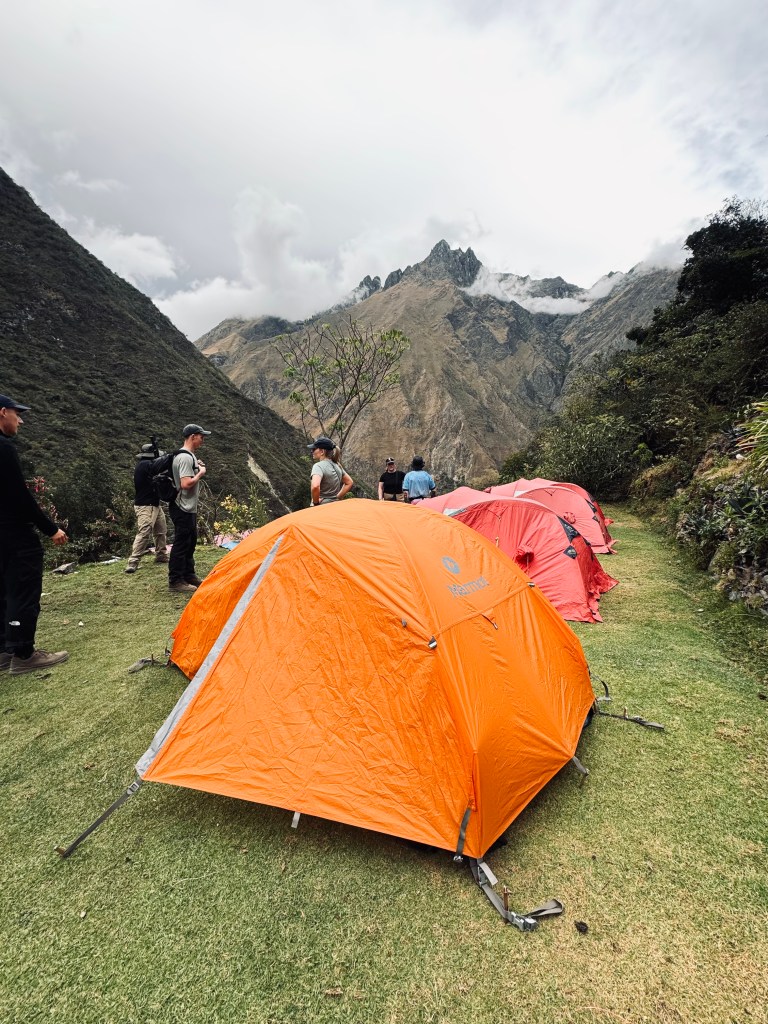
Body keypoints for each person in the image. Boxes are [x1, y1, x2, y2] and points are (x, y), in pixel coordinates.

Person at [0, 393, 69, 675]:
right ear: (3, 412)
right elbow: (20, 497)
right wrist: (51, 528)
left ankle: (5, 650)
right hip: (15, 534)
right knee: (23, 592)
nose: (21, 420)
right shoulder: (4, 448)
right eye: (17, 414)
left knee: (3, 591)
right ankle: (25, 654)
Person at [168, 423, 210, 594]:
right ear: (193, 436)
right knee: (181, 543)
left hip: (188, 507)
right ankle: (176, 581)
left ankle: (188, 575)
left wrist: (197, 468)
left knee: (190, 541)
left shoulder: (189, 456)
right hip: (182, 507)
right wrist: (201, 473)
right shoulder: (185, 457)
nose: (203, 440)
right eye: (201, 436)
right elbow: (185, 484)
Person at [124, 443, 169, 574]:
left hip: (154, 504)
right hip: (145, 505)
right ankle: (133, 562)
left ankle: (161, 555)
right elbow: (159, 466)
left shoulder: (146, 465)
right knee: (144, 532)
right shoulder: (145, 465)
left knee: (161, 530)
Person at [308, 437, 353, 506]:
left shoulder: (318, 466)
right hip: (335, 505)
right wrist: (337, 497)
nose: (312, 451)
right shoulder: (337, 465)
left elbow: (315, 486)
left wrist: (316, 503)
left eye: (314, 449)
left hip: (321, 506)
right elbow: (349, 482)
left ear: (322, 451)